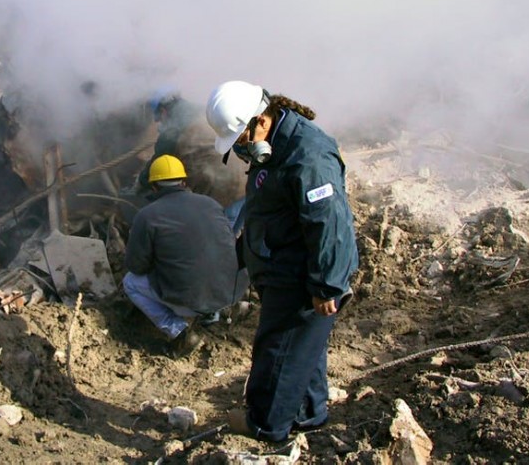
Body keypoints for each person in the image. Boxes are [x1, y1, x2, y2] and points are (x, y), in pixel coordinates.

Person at [205, 80, 359, 442]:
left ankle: (266, 424)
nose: (240, 150)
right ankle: (308, 414)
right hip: (282, 262)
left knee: (278, 348)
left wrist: (326, 285)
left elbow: (329, 222)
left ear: (260, 121)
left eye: (240, 140)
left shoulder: (308, 155)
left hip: (302, 273)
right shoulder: (274, 147)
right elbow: (271, 208)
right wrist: (247, 251)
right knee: (304, 348)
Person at [123, 154, 249, 358]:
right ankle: (225, 309)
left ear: (154, 187)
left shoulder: (147, 215)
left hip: (191, 299)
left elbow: (136, 266)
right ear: (183, 181)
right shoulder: (210, 203)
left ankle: (179, 331)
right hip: (232, 289)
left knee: (130, 282)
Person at [133, 88, 245, 213]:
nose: (159, 123)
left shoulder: (172, 133)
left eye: (159, 119)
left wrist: (139, 184)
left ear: (163, 112)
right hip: (245, 183)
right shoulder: (204, 112)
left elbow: (157, 162)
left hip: (223, 189)